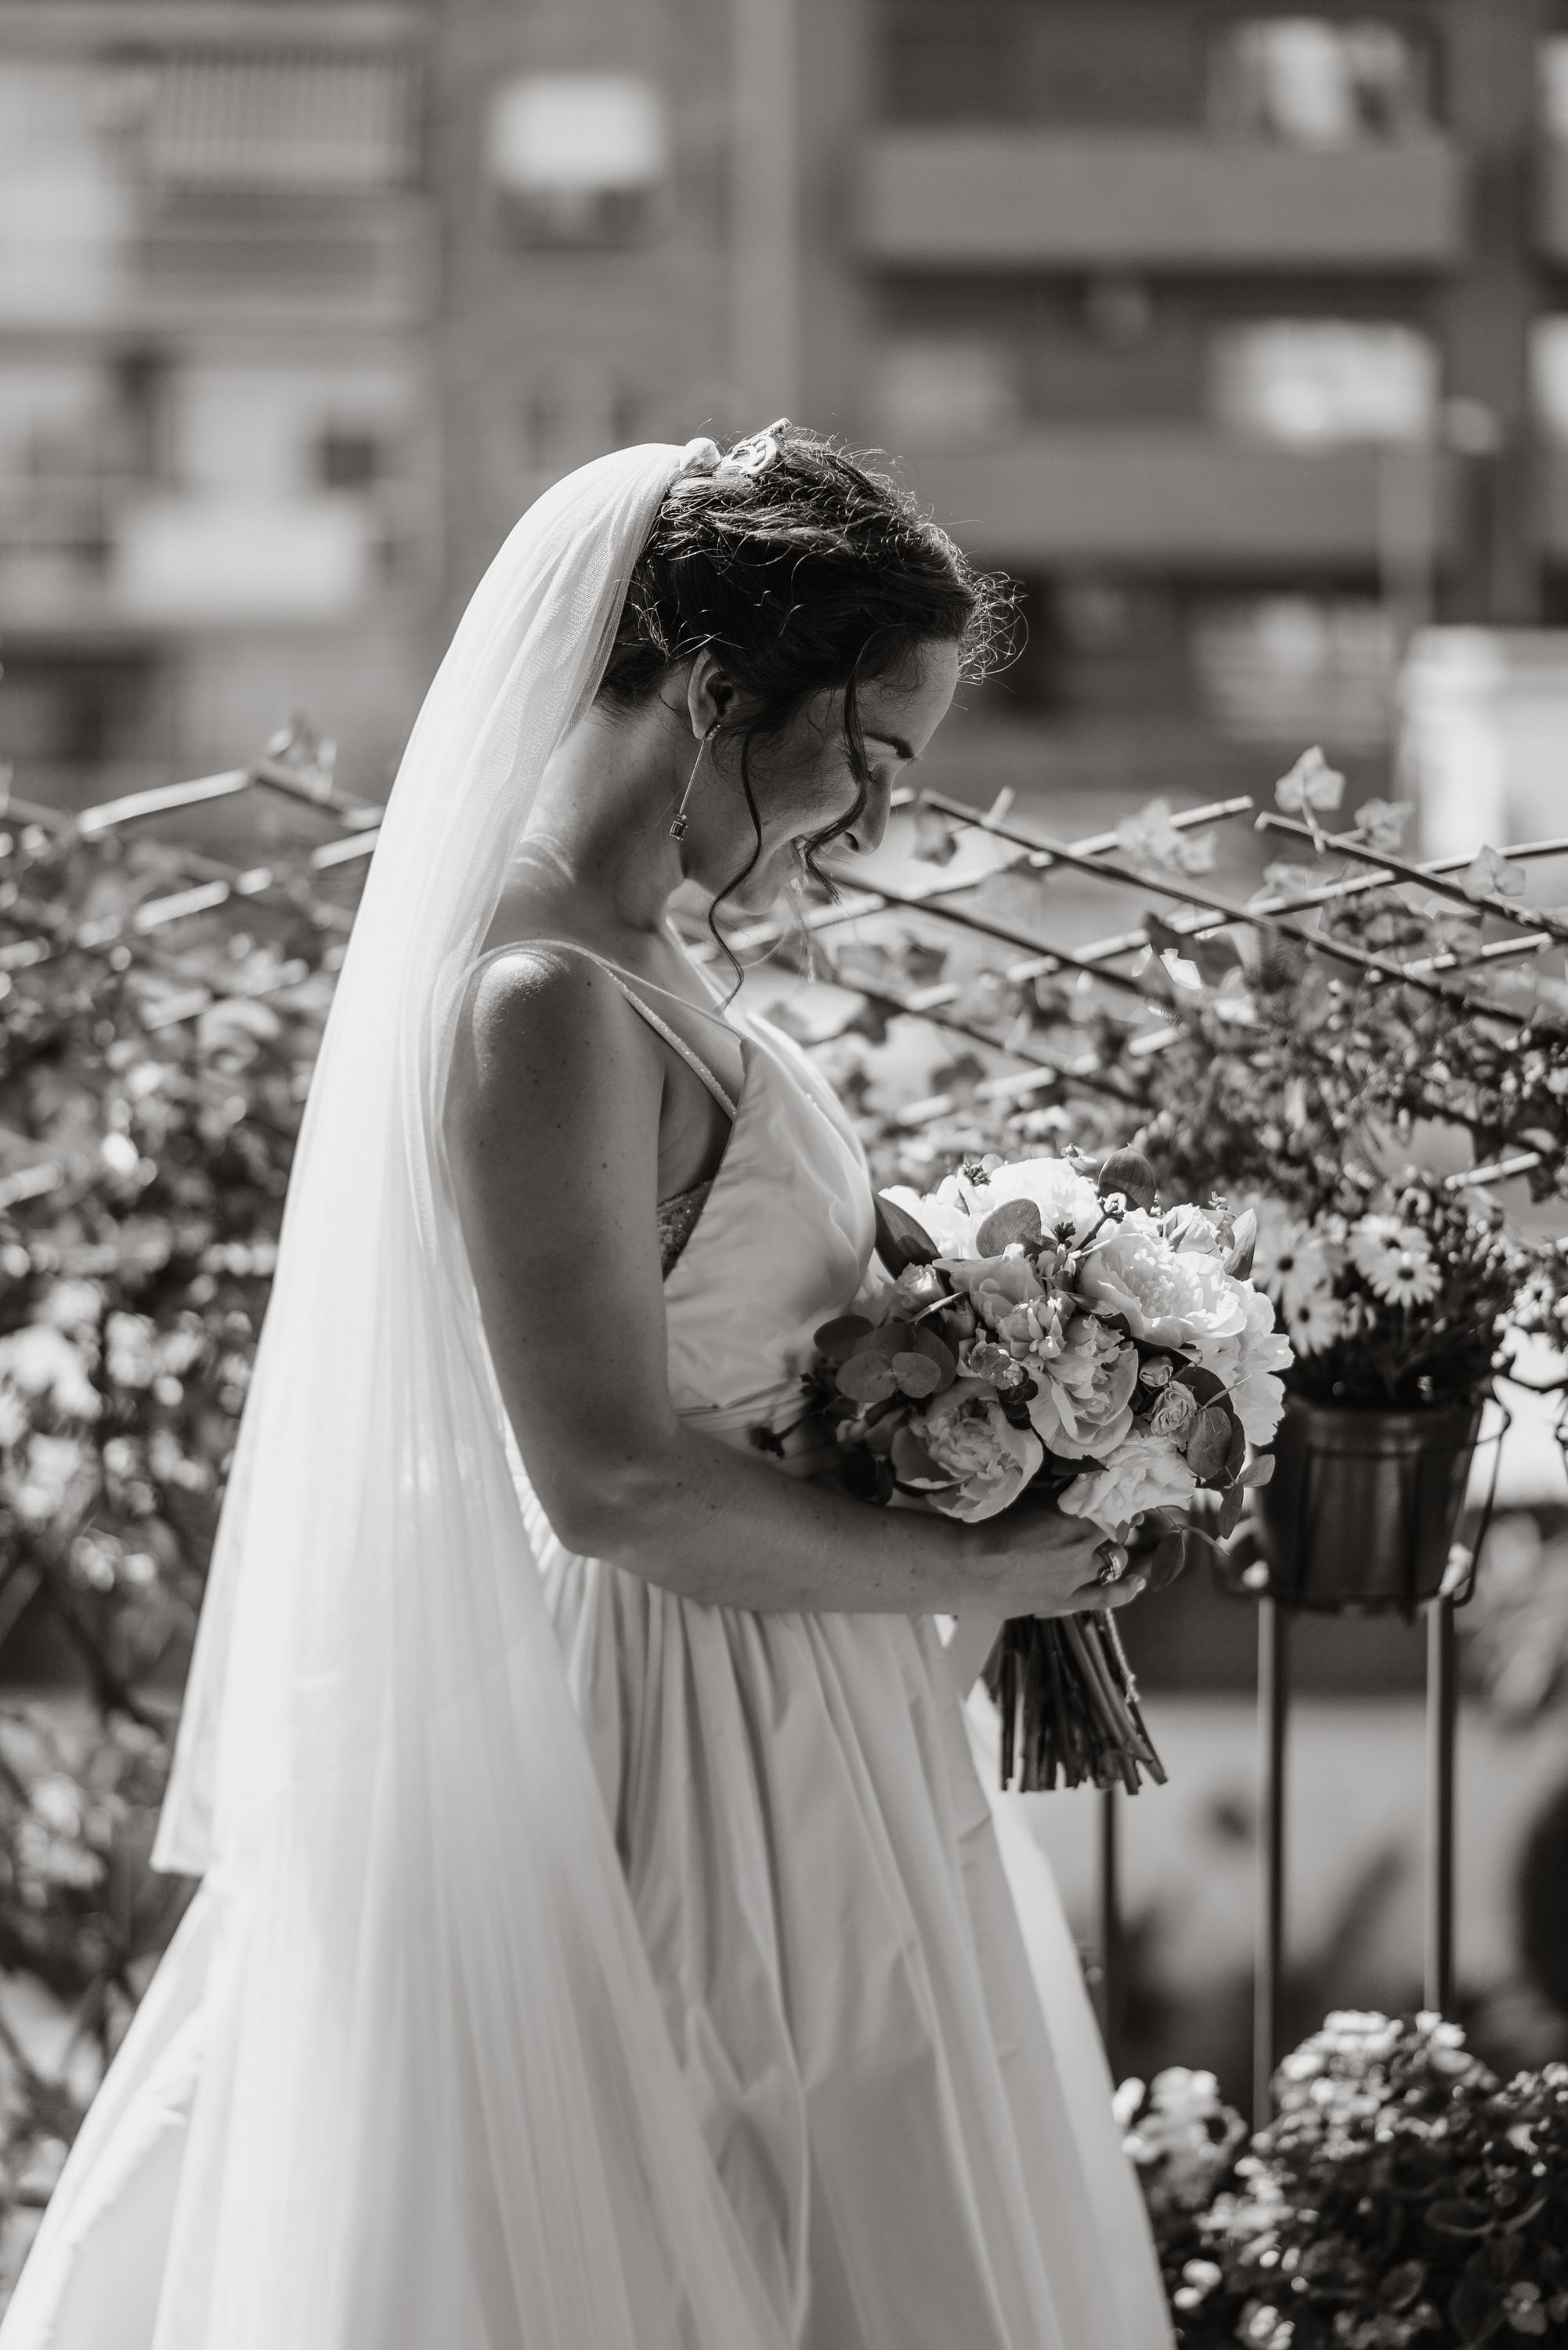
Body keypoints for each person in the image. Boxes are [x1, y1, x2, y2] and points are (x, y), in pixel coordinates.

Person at [0, 430, 1173, 2350]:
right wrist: (998, 1576)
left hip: (805, 1719)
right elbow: (613, 1483)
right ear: (716, 689)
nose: (876, 813)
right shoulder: (544, 1000)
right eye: (867, 750)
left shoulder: (653, 961)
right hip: (649, 1738)